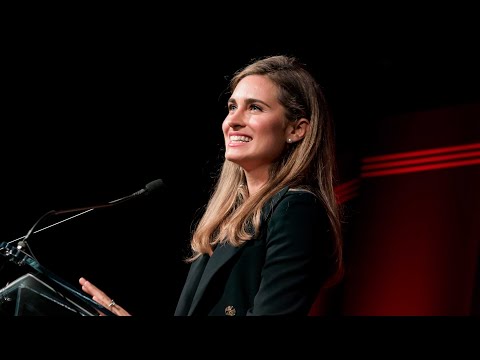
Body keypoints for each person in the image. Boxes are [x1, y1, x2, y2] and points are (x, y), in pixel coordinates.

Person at [79, 54, 344, 316]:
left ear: (296, 130)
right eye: (232, 107)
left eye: (255, 107)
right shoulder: (228, 216)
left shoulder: (296, 210)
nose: (233, 121)